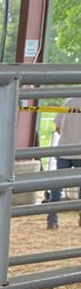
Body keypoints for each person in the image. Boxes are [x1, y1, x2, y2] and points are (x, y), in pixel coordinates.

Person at [45, 96, 81, 229]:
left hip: (64, 149)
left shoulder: (67, 102)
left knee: (57, 187)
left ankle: (52, 220)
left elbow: (58, 128)